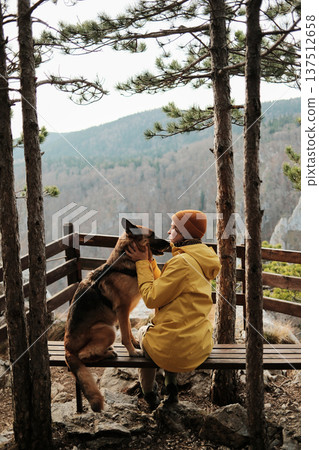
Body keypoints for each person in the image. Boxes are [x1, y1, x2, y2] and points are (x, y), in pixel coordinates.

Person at [126, 210, 221, 409]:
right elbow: (167, 285)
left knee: (145, 334)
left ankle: (149, 393)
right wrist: (151, 262)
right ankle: (171, 389)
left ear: (183, 234)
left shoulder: (181, 262)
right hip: (200, 344)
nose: (169, 232)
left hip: (178, 350)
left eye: (173, 228)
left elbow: (152, 298)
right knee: (173, 331)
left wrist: (141, 263)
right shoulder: (201, 258)